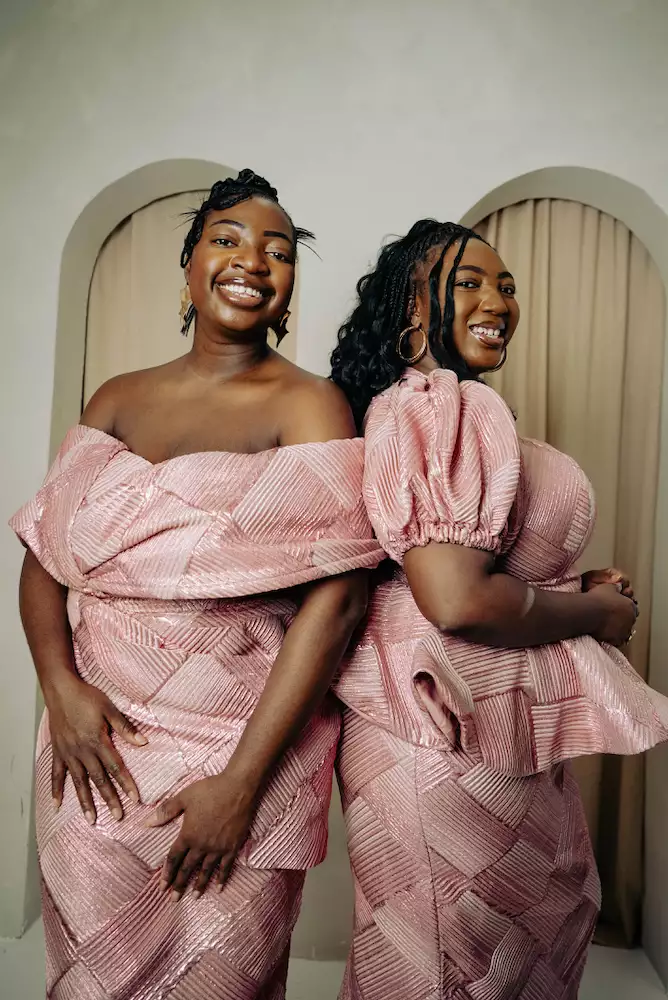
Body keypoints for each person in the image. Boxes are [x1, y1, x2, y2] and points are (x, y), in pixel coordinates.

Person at [12, 169, 383, 1000]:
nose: (253, 260)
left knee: (220, 980)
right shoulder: (117, 396)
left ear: (288, 286)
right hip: (94, 749)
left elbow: (339, 602)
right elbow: (44, 556)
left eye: (278, 252)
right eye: (227, 239)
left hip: (236, 753)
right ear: (189, 265)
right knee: (90, 979)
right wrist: (61, 692)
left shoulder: (310, 405)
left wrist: (240, 786)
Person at [330, 219, 668, 999]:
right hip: (442, 731)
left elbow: (474, 568)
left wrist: (574, 590)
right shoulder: (435, 407)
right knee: (447, 965)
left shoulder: (457, 409)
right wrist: (599, 618)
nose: (497, 301)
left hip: (483, 721)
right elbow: (455, 598)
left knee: (499, 954)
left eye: (507, 286)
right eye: (470, 282)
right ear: (414, 308)